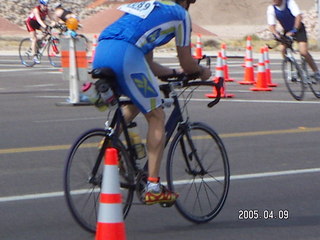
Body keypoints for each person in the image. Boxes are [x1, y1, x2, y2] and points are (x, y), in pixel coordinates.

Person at [93, 0, 211, 205]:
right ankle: (153, 186)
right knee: (157, 115)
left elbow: (148, 65)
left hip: (102, 50)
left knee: (138, 100)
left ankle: (110, 140)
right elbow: (187, 62)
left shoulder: (149, 8)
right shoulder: (180, 15)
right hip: (126, 55)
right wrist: (200, 71)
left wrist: (174, 73)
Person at [267, 0, 320, 80]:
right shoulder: (271, 8)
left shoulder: (289, 3)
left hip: (298, 29)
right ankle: (291, 69)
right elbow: (271, 25)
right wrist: (276, 34)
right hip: (287, 30)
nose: (273, 1)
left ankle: (316, 72)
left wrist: (294, 30)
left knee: (303, 52)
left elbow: (298, 17)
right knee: (283, 49)